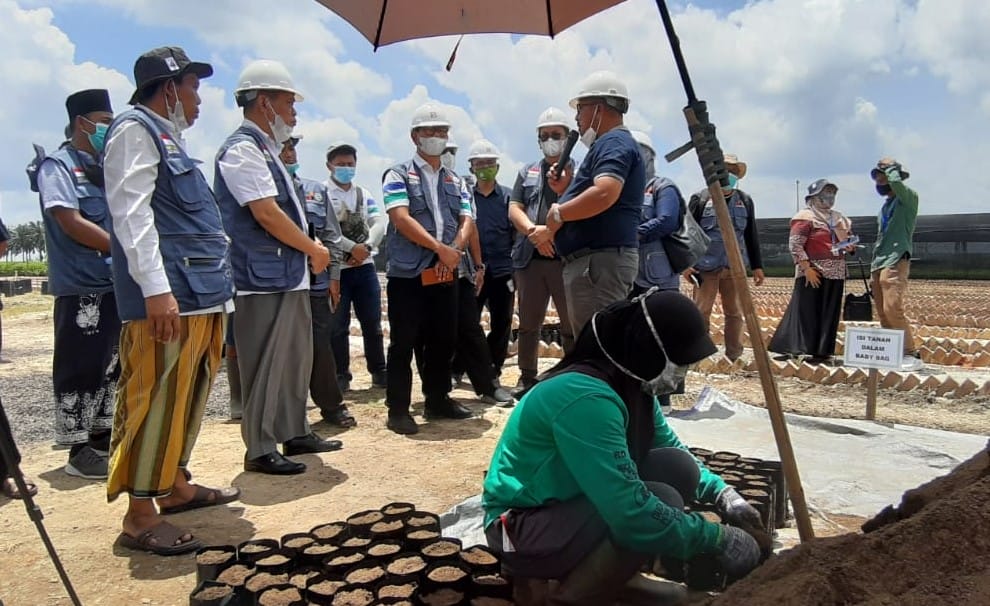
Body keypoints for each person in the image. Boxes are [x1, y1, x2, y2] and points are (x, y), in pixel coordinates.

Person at [482, 290, 764, 605]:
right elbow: (630, 511)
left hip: (565, 505)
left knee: (676, 468)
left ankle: (616, 576)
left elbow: (670, 447)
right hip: (518, 528)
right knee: (659, 501)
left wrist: (723, 494)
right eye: (678, 363)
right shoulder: (585, 399)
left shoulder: (632, 383)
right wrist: (716, 538)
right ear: (648, 348)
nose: (681, 375)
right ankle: (569, 595)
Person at [104, 46, 240, 555]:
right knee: (154, 402)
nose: (198, 98)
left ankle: (176, 487)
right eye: (193, 87)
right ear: (168, 89)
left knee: (187, 399)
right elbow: (131, 215)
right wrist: (156, 290)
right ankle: (140, 517)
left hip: (200, 296)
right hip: (170, 300)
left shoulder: (172, 141)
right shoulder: (135, 131)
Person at [215, 59, 340, 476]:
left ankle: (294, 429)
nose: (293, 112)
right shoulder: (242, 150)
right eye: (288, 103)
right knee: (267, 362)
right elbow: (266, 214)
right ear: (263, 103)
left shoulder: (265, 150)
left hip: (287, 274)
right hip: (261, 278)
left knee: (293, 359)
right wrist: (313, 248)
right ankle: (260, 446)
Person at [34, 89, 121, 479]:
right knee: (79, 366)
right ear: (81, 123)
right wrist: (123, 248)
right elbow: (69, 220)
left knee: (110, 365)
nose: (108, 127)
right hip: (81, 286)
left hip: (111, 283)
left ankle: (101, 438)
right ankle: (77, 449)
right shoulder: (58, 166)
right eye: (103, 120)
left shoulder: (103, 167)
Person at [381, 102, 474, 435]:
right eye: (430, 131)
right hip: (408, 273)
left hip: (445, 272)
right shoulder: (397, 175)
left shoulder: (456, 179)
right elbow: (400, 217)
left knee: (443, 338)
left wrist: (455, 251)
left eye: (442, 132)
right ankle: (398, 409)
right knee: (404, 341)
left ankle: (437, 399)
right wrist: (439, 249)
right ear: (415, 136)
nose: (437, 137)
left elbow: (466, 218)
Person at [545, 71, 645, 338]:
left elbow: (605, 193)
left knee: (598, 346)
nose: (577, 117)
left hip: (598, 266)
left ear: (598, 109)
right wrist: (565, 190)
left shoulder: (613, 142)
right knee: (596, 343)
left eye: (580, 108)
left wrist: (559, 212)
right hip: (595, 264)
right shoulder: (609, 145)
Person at [281, 137, 354, 428]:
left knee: (320, 346)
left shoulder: (315, 191)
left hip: (314, 284)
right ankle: (289, 415)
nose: (289, 154)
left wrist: (334, 278)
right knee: (284, 351)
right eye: (283, 149)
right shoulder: (264, 191)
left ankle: (331, 407)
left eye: (292, 148)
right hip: (279, 285)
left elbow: (333, 238)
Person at [507, 107, 576, 396]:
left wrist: (550, 233)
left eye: (556, 135)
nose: (550, 140)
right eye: (544, 136)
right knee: (529, 323)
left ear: (566, 137)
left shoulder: (580, 171)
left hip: (564, 258)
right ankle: (527, 376)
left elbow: (580, 208)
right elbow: (515, 207)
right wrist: (534, 233)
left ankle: (574, 373)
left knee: (571, 323)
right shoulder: (527, 171)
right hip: (530, 258)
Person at [685, 153, 765, 361]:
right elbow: (689, 232)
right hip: (705, 267)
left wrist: (757, 266)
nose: (727, 175)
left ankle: (734, 354)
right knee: (701, 311)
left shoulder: (744, 201)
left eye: (731, 171)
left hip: (734, 267)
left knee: (735, 313)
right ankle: (699, 355)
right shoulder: (700, 199)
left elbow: (750, 234)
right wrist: (687, 264)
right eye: (722, 170)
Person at [630, 130, 688, 411]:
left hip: (658, 274)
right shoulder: (623, 188)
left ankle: (663, 398)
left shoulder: (662, 187)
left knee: (661, 336)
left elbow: (666, 220)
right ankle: (639, 394)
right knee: (636, 337)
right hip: (629, 274)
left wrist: (633, 234)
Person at [769, 179, 855, 363]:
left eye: (832, 193)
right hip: (813, 271)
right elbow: (795, 245)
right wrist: (806, 267)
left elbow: (848, 244)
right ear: (814, 197)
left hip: (836, 272)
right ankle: (795, 348)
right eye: (825, 193)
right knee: (806, 310)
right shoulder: (805, 217)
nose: (829, 198)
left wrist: (848, 244)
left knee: (829, 312)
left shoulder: (839, 218)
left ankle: (822, 350)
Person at [325, 142, 388, 392]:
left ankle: (379, 370)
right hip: (337, 269)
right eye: (340, 164)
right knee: (337, 325)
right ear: (329, 165)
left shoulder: (363, 193)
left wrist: (367, 246)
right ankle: (341, 374)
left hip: (365, 267)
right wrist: (352, 248)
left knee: (372, 322)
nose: (346, 168)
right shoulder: (323, 194)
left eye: (350, 164)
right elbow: (325, 229)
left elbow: (378, 222)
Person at [461, 139, 515, 377]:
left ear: (498, 167)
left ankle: (494, 367)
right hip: (473, 270)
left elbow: (516, 234)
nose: (485, 167)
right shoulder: (465, 197)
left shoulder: (508, 198)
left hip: (503, 269)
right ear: (471, 167)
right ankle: (460, 368)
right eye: (480, 163)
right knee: (467, 322)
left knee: (502, 322)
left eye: (490, 163)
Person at [870, 157, 922, 371]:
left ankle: (910, 352)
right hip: (880, 259)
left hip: (896, 257)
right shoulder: (884, 208)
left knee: (892, 306)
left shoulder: (908, 199)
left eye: (884, 178)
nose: (880, 183)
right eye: (878, 179)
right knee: (882, 310)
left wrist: (891, 167)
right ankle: (893, 352)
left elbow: (898, 185)